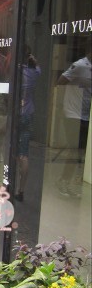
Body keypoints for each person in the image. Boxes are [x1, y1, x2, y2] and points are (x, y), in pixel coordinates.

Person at [56, 46, 91, 197]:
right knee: (74, 150)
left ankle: (69, 181)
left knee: (80, 152)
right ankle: (63, 181)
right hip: (72, 114)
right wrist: (61, 105)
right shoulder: (80, 66)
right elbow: (60, 82)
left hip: (86, 115)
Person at [16, 51, 41, 201]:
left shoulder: (18, 71)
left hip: (17, 114)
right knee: (23, 154)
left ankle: (8, 185)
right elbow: (37, 67)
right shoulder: (35, 72)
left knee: (11, 151)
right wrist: (34, 61)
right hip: (28, 114)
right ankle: (21, 190)